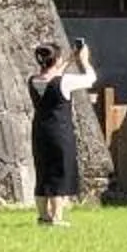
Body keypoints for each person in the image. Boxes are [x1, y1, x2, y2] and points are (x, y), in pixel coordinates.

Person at [30, 38, 96, 227]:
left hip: (40, 132)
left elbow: (53, 75)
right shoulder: (64, 82)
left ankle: (43, 216)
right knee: (59, 173)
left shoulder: (33, 80)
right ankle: (57, 217)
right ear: (56, 60)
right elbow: (91, 79)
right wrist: (84, 61)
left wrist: (68, 59)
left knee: (43, 172)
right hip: (60, 132)